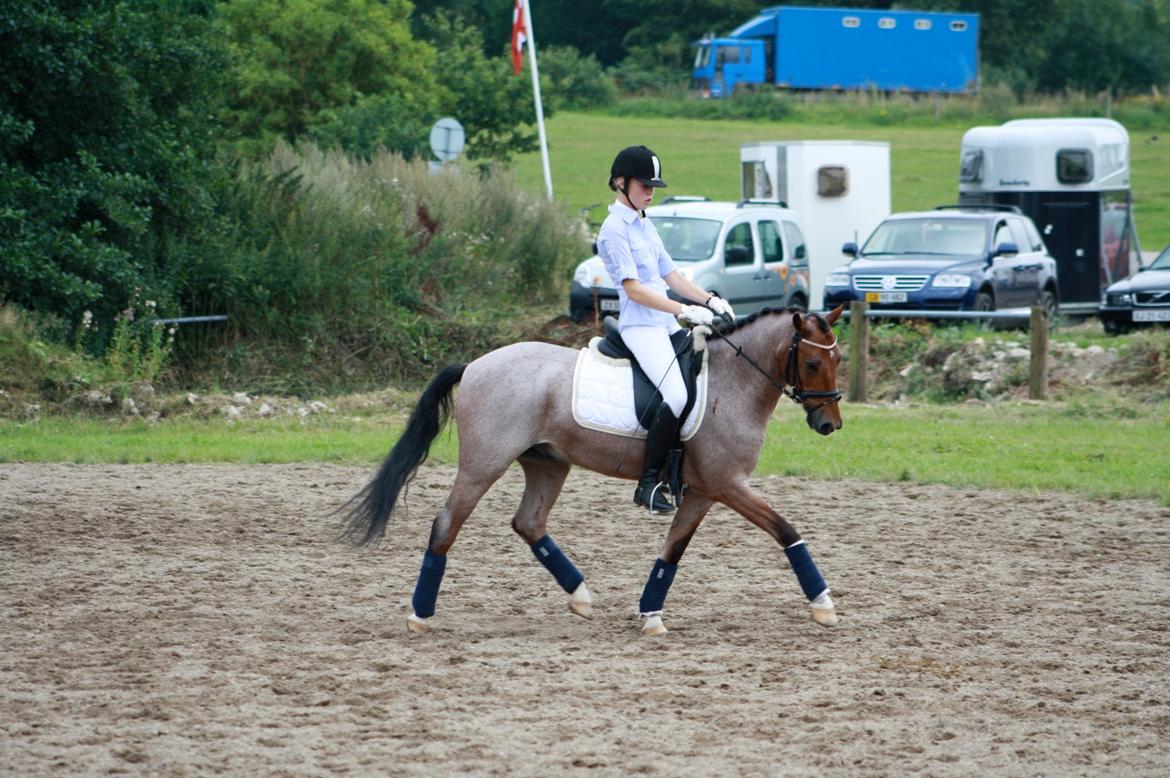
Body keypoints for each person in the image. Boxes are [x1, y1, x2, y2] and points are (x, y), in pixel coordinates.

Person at [595, 145, 735, 514]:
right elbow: (634, 289)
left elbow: (670, 274)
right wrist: (684, 310)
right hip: (641, 327)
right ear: (621, 183)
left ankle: (684, 470)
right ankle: (648, 483)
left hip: (664, 323)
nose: (651, 192)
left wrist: (709, 301)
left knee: (699, 382)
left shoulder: (644, 222)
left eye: (653, 185)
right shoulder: (613, 229)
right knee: (674, 395)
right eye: (644, 185)